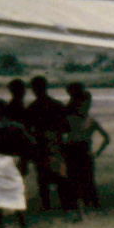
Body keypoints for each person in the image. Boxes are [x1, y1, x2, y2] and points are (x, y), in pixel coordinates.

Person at [0, 99, 34, 228]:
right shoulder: (16, 127)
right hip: (12, 163)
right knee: (17, 197)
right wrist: (23, 161)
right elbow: (31, 145)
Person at [26, 75, 74, 215]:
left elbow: (29, 129)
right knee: (61, 178)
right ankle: (65, 205)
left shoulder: (33, 107)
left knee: (43, 179)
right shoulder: (57, 105)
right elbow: (66, 127)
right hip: (57, 145)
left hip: (41, 146)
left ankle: (47, 206)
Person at [61, 84, 109, 212]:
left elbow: (106, 138)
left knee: (86, 178)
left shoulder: (80, 119)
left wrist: (96, 153)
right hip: (75, 149)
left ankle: (88, 202)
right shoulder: (74, 119)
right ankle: (81, 203)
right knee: (76, 178)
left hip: (81, 149)